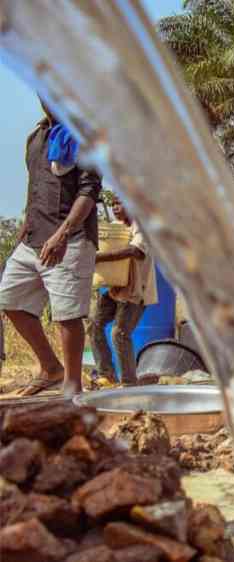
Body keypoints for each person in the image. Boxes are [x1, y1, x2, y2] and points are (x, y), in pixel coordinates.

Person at [0, 101, 102, 397]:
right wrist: (23, 230)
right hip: (32, 237)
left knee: (67, 315)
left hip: (70, 237)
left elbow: (89, 192)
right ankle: (50, 368)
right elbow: (35, 188)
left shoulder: (86, 136)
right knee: (10, 299)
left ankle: (72, 386)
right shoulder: (36, 136)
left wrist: (62, 234)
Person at [89, 196, 158, 385]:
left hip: (136, 290)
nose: (116, 208)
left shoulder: (141, 225)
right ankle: (106, 374)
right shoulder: (114, 227)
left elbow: (135, 251)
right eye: (113, 204)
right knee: (94, 324)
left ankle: (129, 382)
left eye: (120, 203)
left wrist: (100, 258)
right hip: (115, 287)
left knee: (119, 333)